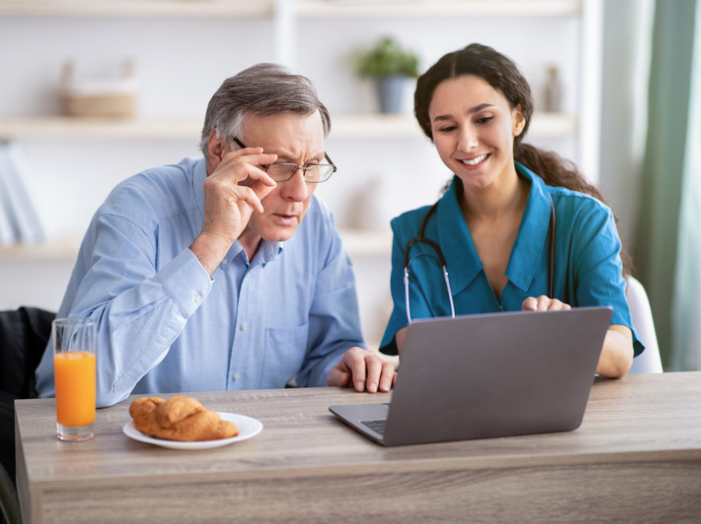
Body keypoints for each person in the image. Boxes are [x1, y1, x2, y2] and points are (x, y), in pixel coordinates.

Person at [35, 63, 395, 407]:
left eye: (313, 166)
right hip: (110, 444)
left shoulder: (316, 225)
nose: (300, 193)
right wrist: (211, 243)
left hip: (251, 450)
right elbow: (85, 386)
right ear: (219, 149)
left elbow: (325, 353)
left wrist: (343, 367)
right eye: (279, 166)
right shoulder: (138, 211)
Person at [380, 43, 643, 378]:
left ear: (518, 119)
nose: (467, 143)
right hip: (458, 423)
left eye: (484, 119)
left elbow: (620, 355)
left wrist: (566, 332)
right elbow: (418, 356)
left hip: (565, 419)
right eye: (447, 128)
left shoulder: (585, 221)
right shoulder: (413, 234)